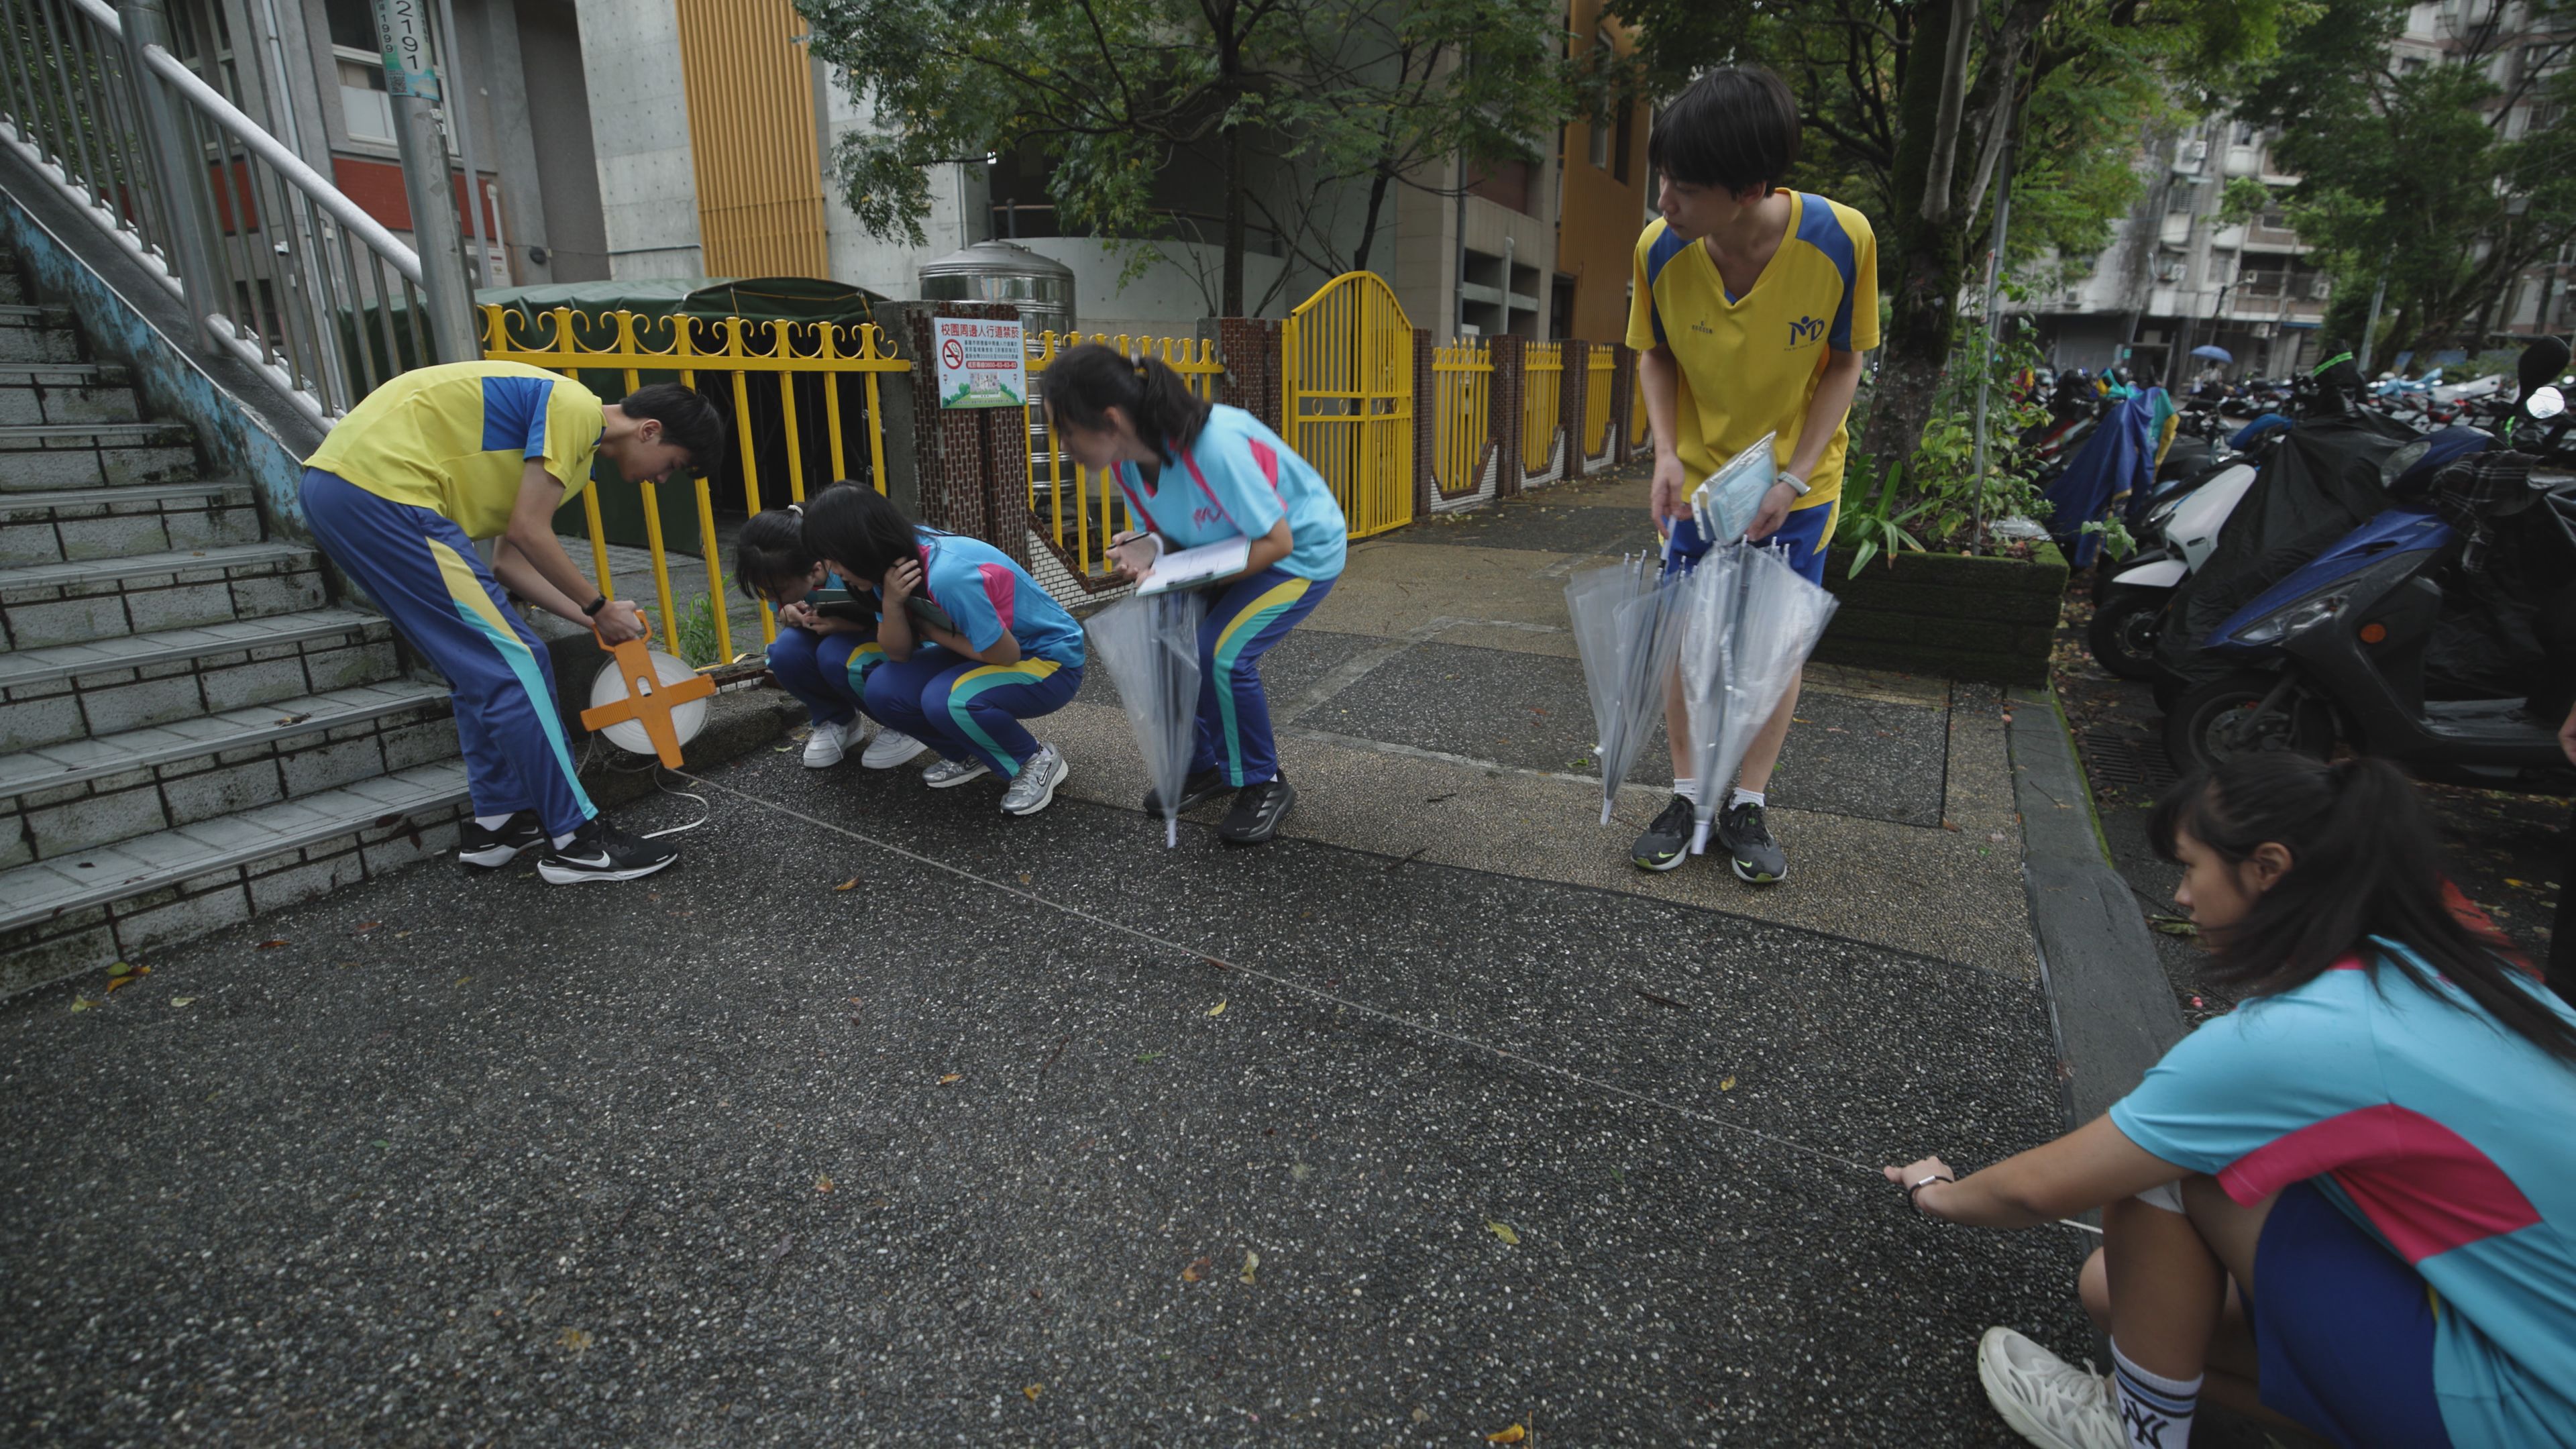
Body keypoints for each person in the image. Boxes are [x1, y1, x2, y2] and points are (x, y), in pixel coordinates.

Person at [1882, 753, 2576, 1449]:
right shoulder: (2462, 969)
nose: (2180, 896)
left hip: (2531, 1405)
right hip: (2523, 1345)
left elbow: (2038, 1191)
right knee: (2120, 1294)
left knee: (2168, 1176)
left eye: (2189, 867)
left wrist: (1935, 1192)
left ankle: (2135, 1432)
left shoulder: (2308, 1033)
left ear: (2268, 868)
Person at [299, 360, 723, 885]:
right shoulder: (573, 408)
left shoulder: (569, 460)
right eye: (671, 466)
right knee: (514, 661)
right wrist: (598, 606)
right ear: (650, 430)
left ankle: (501, 822)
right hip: (384, 493)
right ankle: (577, 841)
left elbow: (509, 563)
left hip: (348, 491)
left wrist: (596, 618)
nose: (661, 480)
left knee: (483, 667)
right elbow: (528, 531)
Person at [1625, 66, 1878, 883]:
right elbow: (1655, 355)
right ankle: (1689, 793)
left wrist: (1796, 479)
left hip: (1795, 488)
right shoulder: (1659, 248)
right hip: (1700, 484)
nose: (1665, 200)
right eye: (1664, 177)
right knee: (1685, 636)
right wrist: (1665, 453)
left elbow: (1845, 364)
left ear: (1749, 189)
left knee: (1773, 644)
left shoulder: (1843, 239)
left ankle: (1749, 804)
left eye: (1685, 187)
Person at [1043, 342, 1348, 845]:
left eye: (1066, 430)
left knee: (1220, 654)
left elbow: (1277, 541)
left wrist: (1183, 573)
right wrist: (1148, 548)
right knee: (1165, 638)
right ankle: (1205, 767)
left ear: (1111, 420)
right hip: (1226, 552)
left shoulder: (1216, 445)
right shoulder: (1126, 461)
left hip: (1299, 554)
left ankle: (1262, 780)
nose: (1063, 446)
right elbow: (1172, 535)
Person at [796, 483, 1085, 816]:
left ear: (858, 544)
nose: (833, 571)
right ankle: (971, 753)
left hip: (1048, 661)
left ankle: (1034, 759)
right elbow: (898, 654)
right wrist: (891, 603)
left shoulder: (947, 574)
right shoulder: (887, 570)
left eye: (833, 558)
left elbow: (1007, 655)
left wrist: (931, 631)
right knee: (884, 687)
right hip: (979, 650)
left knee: (945, 698)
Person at [732, 503, 926, 771]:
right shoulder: (787, 569)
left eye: (778, 591)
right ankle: (837, 720)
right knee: (785, 652)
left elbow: (904, 623)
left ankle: (903, 724)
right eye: (766, 590)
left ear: (815, 570)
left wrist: (847, 626)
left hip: (901, 645)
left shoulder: (854, 565)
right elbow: (783, 610)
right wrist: (788, 613)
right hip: (846, 635)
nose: (773, 599)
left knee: (834, 653)